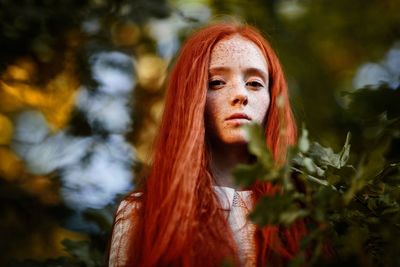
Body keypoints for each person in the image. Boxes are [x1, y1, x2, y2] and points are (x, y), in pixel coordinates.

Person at [108, 22, 307, 267]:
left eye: (255, 83)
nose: (240, 94)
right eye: (216, 82)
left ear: (272, 99)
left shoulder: (305, 214)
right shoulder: (142, 213)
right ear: (191, 96)